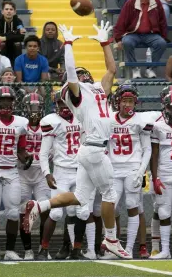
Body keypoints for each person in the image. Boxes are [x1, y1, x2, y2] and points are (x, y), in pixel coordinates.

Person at [23, 21, 131, 259]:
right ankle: (111, 239)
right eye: (79, 77)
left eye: (84, 75)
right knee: (110, 194)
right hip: (93, 150)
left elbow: (112, 70)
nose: (82, 76)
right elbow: (71, 73)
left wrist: (105, 43)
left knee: (81, 199)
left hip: (88, 151)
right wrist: (69, 44)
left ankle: (39, 206)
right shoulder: (78, 97)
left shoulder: (98, 91)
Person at [38, 90, 96, 260]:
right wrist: (47, 174)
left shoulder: (82, 118)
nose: (64, 107)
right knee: (56, 213)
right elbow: (43, 153)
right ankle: (43, 249)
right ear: (56, 105)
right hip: (61, 171)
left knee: (83, 212)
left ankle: (76, 250)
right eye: (61, 103)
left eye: (66, 103)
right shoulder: (51, 121)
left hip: (80, 170)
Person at [102, 84, 152, 259]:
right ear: (118, 101)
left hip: (132, 168)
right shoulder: (109, 119)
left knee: (132, 206)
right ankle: (113, 247)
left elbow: (147, 149)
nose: (127, 105)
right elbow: (104, 146)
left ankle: (129, 249)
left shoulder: (140, 120)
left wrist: (141, 171)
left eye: (130, 101)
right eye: (124, 100)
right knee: (111, 208)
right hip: (114, 169)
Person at [0, 86, 33, 261]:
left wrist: (26, 157)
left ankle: (9, 250)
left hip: (11, 171)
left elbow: (21, 149)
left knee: (12, 212)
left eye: (9, 101)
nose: (6, 104)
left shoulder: (20, 123)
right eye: (2, 101)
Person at [18, 92, 51, 260]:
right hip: (22, 173)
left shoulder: (47, 124)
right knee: (23, 212)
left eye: (38, 107)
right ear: (25, 108)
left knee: (45, 211)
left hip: (41, 174)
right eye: (32, 107)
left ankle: (42, 248)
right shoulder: (21, 125)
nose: (35, 110)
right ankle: (28, 250)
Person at [150, 86, 172, 259]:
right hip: (164, 173)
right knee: (163, 212)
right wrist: (155, 178)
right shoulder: (158, 125)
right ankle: (164, 250)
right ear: (165, 107)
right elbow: (154, 154)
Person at [113, 0, 167, 79]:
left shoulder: (156, 2)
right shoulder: (131, 2)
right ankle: (135, 68)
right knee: (126, 42)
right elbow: (121, 21)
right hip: (133, 33)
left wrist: (163, 36)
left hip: (151, 34)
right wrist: (118, 39)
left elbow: (162, 21)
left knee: (162, 43)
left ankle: (150, 69)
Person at [0, 0, 26, 67]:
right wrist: (15, 32)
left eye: (11, 9)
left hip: (14, 47)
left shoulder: (18, 21)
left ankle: (17, 67)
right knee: (2, 43)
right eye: (6, 9)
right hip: (3, 47)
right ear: (2, 12)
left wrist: (5, 37)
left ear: (14, 12)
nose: (9, 11)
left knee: (17, 44)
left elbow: (21, 37)